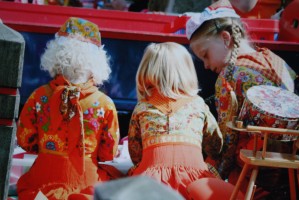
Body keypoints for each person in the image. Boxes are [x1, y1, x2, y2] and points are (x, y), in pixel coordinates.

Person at [186, 0, 297, 195]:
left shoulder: (229, 77)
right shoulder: (274, 60)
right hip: (292, 174)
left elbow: (226, 147)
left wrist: (204, 173)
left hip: (256, 180)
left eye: (205, 55)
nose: (205, 65)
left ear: (226, 38)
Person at [16, 17, 121, 199]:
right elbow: (108, 152)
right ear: (97, 61)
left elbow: (25, 140)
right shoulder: (105, 104)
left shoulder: (38, 96)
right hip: (85, 183)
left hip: (43, 180)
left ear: (55, 55)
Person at [127, 42, 223, 198]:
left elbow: (135, 154)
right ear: (187, 71)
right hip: (193, 181)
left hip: (151, 183)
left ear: (146, 71)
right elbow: (215, 146)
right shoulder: (198, 104)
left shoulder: (141, 108)